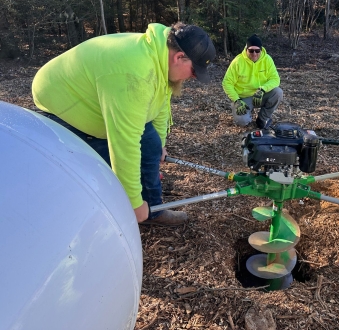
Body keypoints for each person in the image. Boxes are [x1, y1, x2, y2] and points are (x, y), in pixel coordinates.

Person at [32, 22, 215, 226]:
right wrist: (134, 203)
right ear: (179, 57)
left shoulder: (160, 56)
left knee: (151, 147)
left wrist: (161, 143)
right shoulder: (135, 74)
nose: (192, 77)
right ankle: (115, 222)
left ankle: (154, 211)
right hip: (63, 101)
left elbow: (162, 103)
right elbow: (124, 144)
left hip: (113, 97)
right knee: (102, 172)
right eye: (194, 71)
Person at [222, 34, 283, 129]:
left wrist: (262, 90)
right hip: (243, 99)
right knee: (242, 121)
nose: (254, 53)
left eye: (257, 51)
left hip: (260, 95)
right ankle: (246, 114)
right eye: (251, 50)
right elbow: (227, 83)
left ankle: (262, 119)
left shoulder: (267, 60)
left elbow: (275, 79)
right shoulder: (237, 61)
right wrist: (236, 100)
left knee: (278, 92)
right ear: (246, 49)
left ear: (261, 50)